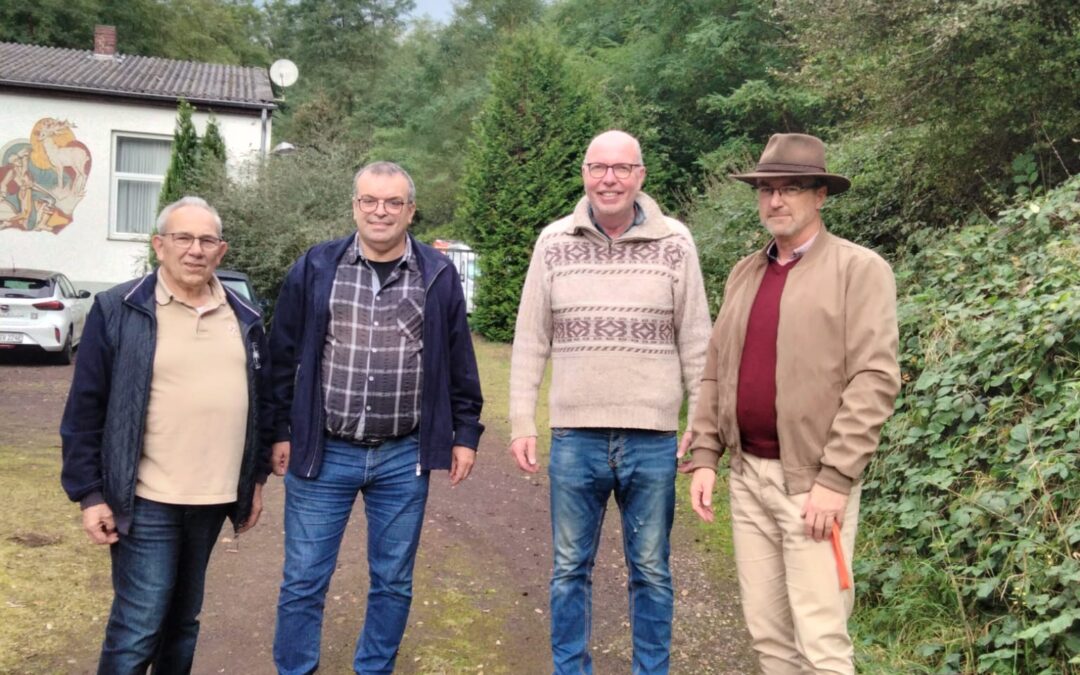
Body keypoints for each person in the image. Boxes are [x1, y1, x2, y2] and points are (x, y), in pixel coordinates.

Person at [686, 133, 901, 674]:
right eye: (766, 189)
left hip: (811, 486)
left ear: (820, 196)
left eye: (791, 189)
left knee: (821, 643)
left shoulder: (859, 270)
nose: (775, 201)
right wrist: (706, 454)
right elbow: (717, 370)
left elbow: (875, 379)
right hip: (748, 480)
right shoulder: (744, 273)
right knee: (769, 639)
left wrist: (835, 478)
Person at [509, 130, 712, 674]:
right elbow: (531, 339)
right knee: (569, 568)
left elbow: (696, 341)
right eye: (599, 168)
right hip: (576, 437)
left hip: (654, 438)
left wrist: (704, 425)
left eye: (622, 169)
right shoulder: (552, 242)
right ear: (584, 173)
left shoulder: (676, 242)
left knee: (651, 569)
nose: (609, 179)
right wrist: (522, 421)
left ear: (641, 176)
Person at [269, 161, 484, 674]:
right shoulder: (316, 267)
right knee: (303, 580)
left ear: (410, 211)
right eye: (370, 201)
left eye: (393, 203)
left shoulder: (437, 274)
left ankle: (374, 668)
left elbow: (458, 358)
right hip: (323, 452)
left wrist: (465, 432)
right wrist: (277, 429)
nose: (380, 212)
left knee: (392, 581)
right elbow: (281, 354)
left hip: (403, 455)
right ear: (355, 206)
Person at [60, 196, 272, 674]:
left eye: (207, 240)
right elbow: (85, 409)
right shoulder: (118, 309)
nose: (195, 250)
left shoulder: (245, 319)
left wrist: (255, 479)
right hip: (145, 495)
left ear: (222, 250)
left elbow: (263, 405)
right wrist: (90, 494)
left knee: (183, 622)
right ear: (159, 245)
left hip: (214, 497)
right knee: (139, 625)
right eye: (183, 238)